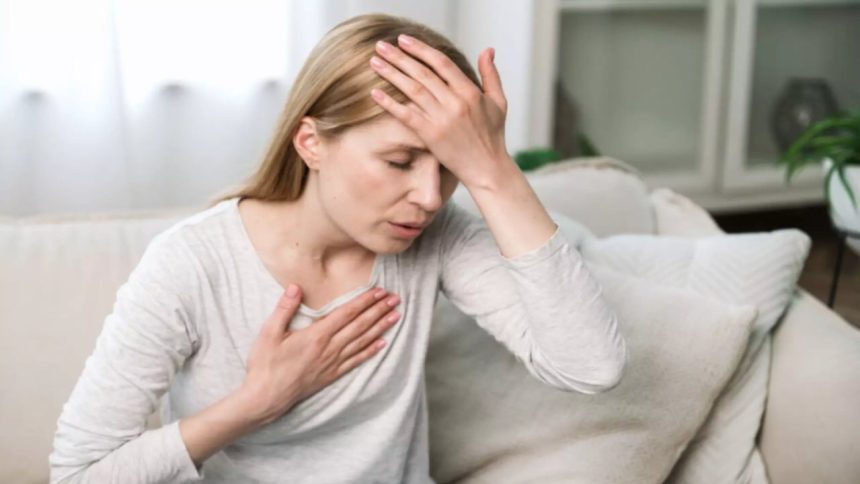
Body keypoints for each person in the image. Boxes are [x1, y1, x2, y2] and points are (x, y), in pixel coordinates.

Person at [49, 13, 627, 484]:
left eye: (450, 167)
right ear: (311, 142)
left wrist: (493, 172)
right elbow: (79, 472)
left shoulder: (438, 236)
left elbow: (591, 367)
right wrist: (258, 402)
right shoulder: (192, 263)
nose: (428, 197)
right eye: (399, 161)